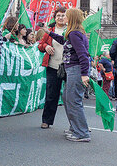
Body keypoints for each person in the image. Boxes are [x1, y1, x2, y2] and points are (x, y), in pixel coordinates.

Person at [41, 8, 91, 142]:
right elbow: (63, 40)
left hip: (76, 69)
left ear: (72, 18)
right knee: (67, 98)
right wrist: (48, 33)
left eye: (66, 16)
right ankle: (75, 128)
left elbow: (83, 55)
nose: (64, 18)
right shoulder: (74, 33)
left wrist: (85, 74)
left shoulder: (74, 33)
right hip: (72, 69)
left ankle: (82, 133)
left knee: (73, 100)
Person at [38, 6, 67, 129]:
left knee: (71, 96)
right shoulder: (50, 30)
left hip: (68, 67)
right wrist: (46, 47)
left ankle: (76, 123)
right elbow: (40, 45)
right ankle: (47, 120)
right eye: (58, 16)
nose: (60, 18)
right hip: (53, 66)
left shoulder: (71, 30)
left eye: (63, 15)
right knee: (51, 94)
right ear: (55, 18)